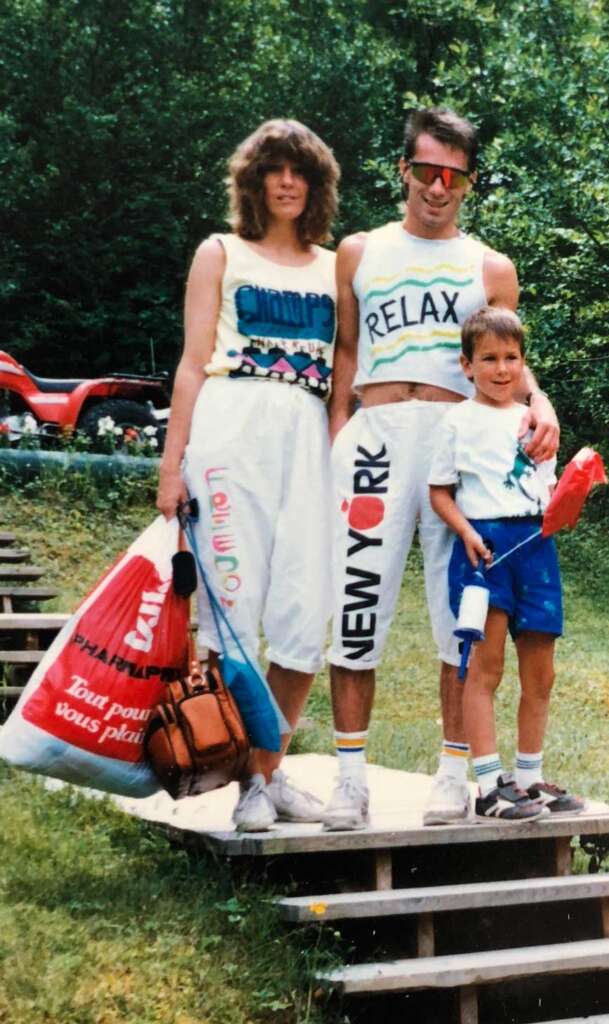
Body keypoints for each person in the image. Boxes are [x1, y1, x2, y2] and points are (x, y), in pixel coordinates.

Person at [323, 107, 560, 830]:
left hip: (458, 446)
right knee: (357, 605)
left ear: (469, 182)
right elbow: (346, 351)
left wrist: (542, 402)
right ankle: (349, 778)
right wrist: (339, 432)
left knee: (462, 618)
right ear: (404, 170)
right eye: (426, 171)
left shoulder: (489, 267)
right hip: (376, 436)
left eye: (453, 176)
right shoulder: (360, 252)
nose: (437, 187)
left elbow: (508, 364)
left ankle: (454, 775)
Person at [156, 119, 339, 831]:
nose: (286, 181)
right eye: (274, 169)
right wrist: (172, 464)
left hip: (309, 436)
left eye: (300, 170)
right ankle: (243, 785)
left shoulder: (334, 267)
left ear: (315, 184)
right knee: (231, 615)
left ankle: (271, 771)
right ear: (254, 180)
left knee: (303, 614)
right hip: (232, 432)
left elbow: (349, 369)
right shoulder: (220, 252)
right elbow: (192, 362)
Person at [428, 306, 585, 820]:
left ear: (523, 363)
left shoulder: (534, 420)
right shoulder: (456, 421)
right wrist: (468, 534)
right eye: (489, 358)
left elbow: (545, 488)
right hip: (486, 549)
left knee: (540, 672)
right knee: (485, 667)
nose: (501, 369)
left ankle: (529, 777)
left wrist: (568, 504)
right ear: (467, 364)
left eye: (511, 358)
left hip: (535, 545)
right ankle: (489, 784)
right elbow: (440, 493)